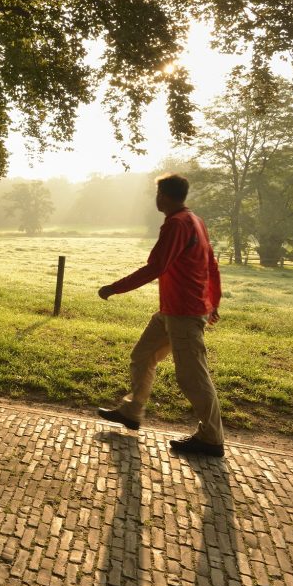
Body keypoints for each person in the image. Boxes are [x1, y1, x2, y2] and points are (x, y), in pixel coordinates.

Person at [96, 173, 225, 457]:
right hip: (171, 311)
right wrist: (213, 301)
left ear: (163, 196)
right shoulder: (195, 221)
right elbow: (211, 266)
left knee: (193, 377)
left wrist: (114, 288)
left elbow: (156, 266)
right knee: (143, 355)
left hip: (184, 313)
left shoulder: (178, 224)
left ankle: (212, 438)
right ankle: (131, 411)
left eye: (157, 193)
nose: (155, 198)